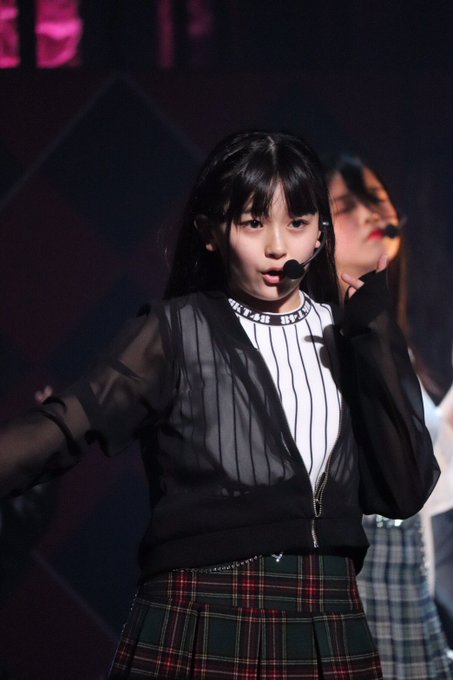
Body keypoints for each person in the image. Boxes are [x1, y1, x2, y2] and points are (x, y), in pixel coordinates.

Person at [0, 131, 439, 679]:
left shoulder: (350, 335)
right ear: (211, 233)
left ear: (319, 236)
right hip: (200, 616)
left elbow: (404, 490)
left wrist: (373, 333)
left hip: (327, 621)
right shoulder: (176, 331)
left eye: (297, 223)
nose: (278, 246)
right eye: (254, 223)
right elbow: (66, 425)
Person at [325, 153, 453, 679]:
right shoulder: (316, 342)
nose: (370, 213)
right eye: (345, 206)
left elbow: (429, 510)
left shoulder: (403, 349)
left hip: (409, 605)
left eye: (376, 198)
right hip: (347, 602)